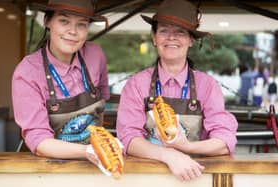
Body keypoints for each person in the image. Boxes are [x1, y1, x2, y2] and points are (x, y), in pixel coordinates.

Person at [116, 0, 238, 182]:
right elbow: (128, 138)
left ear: (191, 40)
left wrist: (186, 147)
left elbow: (225, 141)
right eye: (164, 30)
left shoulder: (208, 85)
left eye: (180, 32)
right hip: (145, 178)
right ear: (154, 37)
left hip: (193, 177)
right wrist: (169, 155)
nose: (171, 37)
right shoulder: (136, 84)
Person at [12, 0, 109, 165]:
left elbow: (101, 107)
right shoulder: (27, 72)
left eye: (81, 24)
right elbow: (39, 141)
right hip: (49, 167)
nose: (73, 31)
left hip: (96, 163)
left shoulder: (96, 55)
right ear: (47, 21)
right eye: (64, 21)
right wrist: (88, 151)